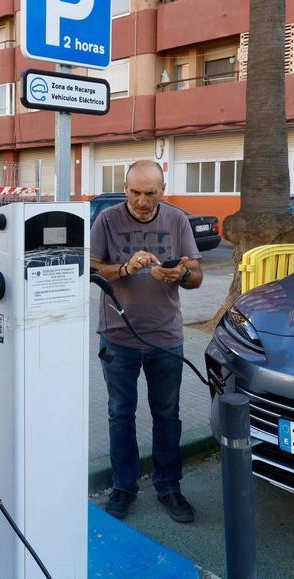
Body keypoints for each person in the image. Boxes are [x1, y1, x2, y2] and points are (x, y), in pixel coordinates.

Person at [89, 160, 203, 523]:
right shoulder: (107, 220)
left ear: (162, 190)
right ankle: (124, 486)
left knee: (167, 415)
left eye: (149, 193)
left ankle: (169, 486)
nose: (141, 201)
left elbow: (197, 274)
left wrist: (182, 272)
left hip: (166, 336)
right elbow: (91, 268)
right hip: (118, 336)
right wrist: (124, 268)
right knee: (120, 414)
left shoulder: (176, 220)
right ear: (125, 189)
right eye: (135, 192)